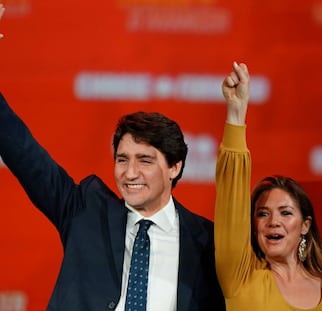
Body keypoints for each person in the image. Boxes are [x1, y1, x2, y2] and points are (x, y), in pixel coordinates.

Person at [0, 6, 225, 311]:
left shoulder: (207, 242)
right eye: (122, 159)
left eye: (144, 161)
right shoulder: (85, 212)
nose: (130, 172)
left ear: (175, 167)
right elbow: (23, 152)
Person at [214, 61, 322, 310]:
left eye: (285, 212)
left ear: (305, 225)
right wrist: (236, 111)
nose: (272, 221)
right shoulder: (241, 277)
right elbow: (231, 196)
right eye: (262, 214)